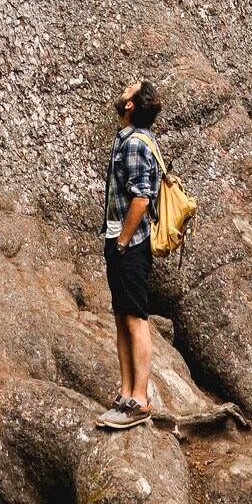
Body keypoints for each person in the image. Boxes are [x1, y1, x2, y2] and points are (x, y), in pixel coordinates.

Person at [95, 77, 163, 430]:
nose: (121, 91)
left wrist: (121, 242)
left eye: (128, 89)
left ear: (131, 105)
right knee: (122, 317)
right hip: (118, 240)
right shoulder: (127, 139)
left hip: (131, 245)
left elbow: (141, 198)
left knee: (135, 319)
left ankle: (140, 400)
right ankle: (126, 393)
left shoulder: (136, 143)